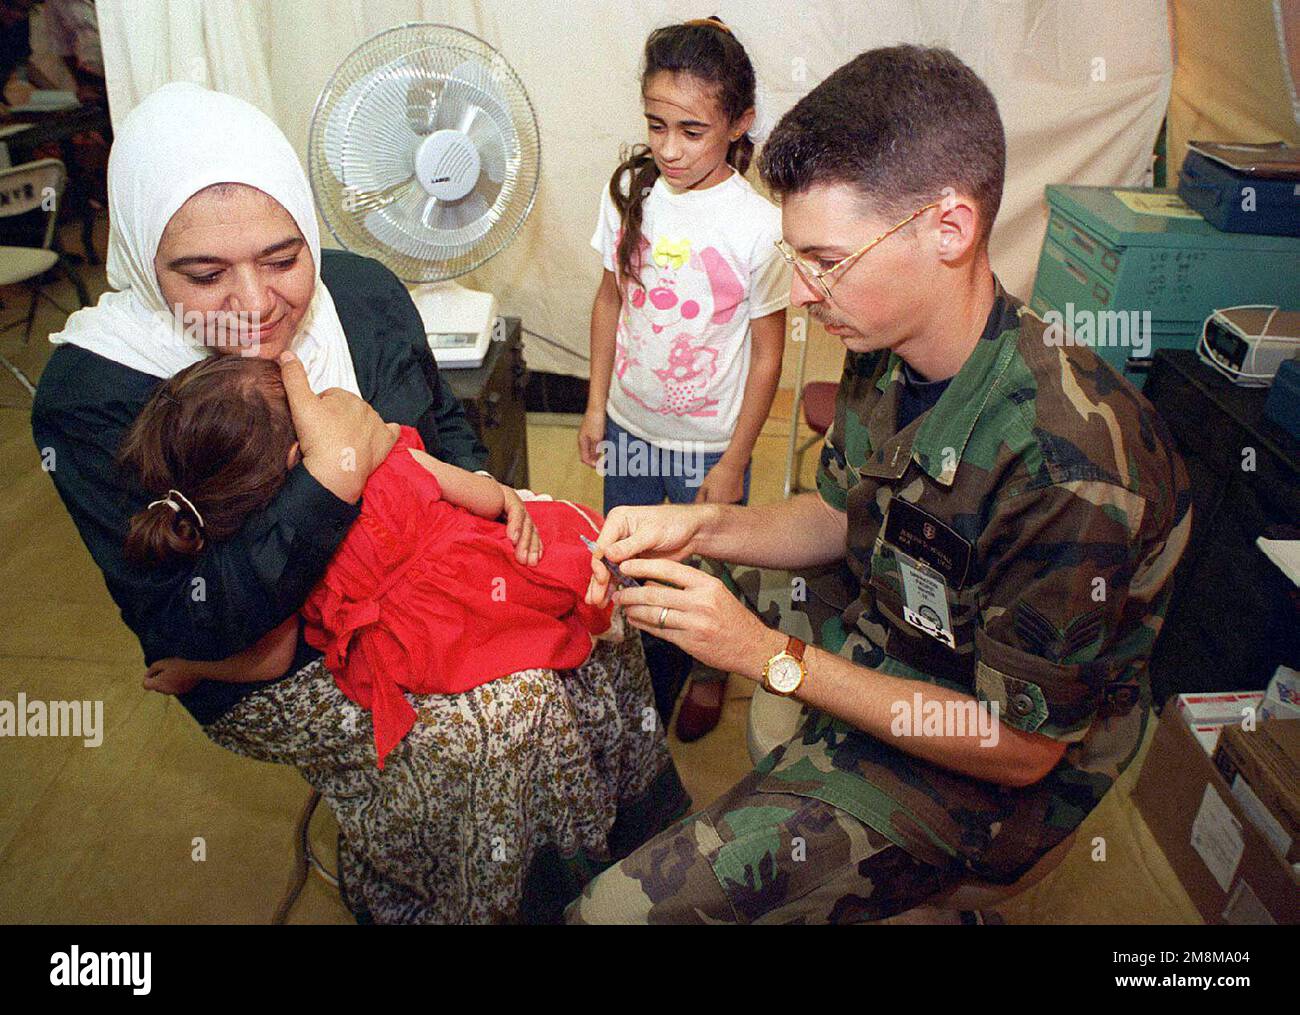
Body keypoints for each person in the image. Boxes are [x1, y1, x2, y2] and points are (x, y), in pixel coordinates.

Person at [32, 81, 687, 923]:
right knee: (507, 720)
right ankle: (460, 900)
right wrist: (329, 483)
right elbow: (189, 620)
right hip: (267, 647)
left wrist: (487, 510)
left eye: (282, 257)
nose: (254, 304)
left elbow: (442, 425)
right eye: (202, 273)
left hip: (422, 561)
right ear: (139, 257)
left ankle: (631, 870)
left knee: (599, 614)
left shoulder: (362, 293)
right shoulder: (94, 393)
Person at [568, 45, 1192, 924]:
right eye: (798, 257)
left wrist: (770, 659)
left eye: (826, 260)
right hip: (900, 630)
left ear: (949, 228)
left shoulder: (1067, 467)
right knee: (649, 594)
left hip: (993, 764)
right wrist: (697, 526)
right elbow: (834, 514)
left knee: (610, 916)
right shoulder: (885, 345)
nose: (806, 291)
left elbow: (1016, 747)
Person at [118, 353, 616, 771]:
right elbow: (485, 499)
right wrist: (506, 497)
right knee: (566, 541)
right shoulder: (389, 455)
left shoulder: (278, 548)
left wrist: (193, 669)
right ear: (300, 454)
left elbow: (269, 658)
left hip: (413, 654)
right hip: (485, 594)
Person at [579, 16, 789, 741]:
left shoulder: (759, 227)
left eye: (692, 130)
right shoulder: (631, 193)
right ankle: (640, 666)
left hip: (709, 442)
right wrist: (595, 404)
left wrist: (734, 458)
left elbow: (767, 353)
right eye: (655, 124)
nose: (669, 148)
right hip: (633, 425)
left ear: (740, 123)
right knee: (631, 560)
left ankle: (708, 667)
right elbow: (609, 300)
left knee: (709, 569)